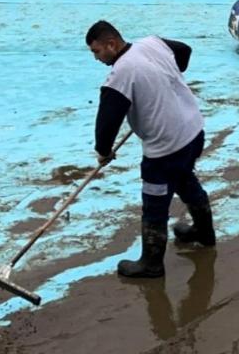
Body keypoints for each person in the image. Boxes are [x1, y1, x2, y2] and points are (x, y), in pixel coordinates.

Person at [87, 20, 215, 279]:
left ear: (111, 44)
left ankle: (151, 263)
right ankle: (204, 233)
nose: (96, 58)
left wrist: (104, 151)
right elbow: (184, 50)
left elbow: (108, 121)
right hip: (193, 132)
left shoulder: (120, 75)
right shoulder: (151, 43)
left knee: (154, 204)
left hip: (165, 150)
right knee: (184, 178)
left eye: (97, 51)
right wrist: (166, 81)